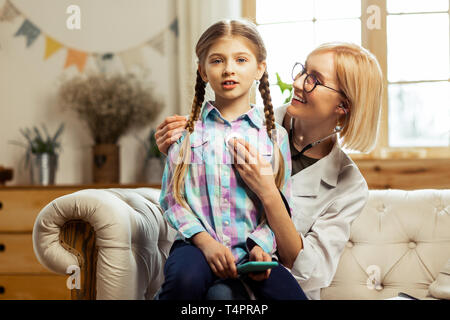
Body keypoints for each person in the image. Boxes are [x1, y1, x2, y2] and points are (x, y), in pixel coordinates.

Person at [155, 41, 383, 300]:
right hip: (211, 271)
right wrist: (182, 152)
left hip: (272, 284)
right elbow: (190, 195)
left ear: (343, 106)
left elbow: (313, 271)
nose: (297, 83)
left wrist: (269, 193)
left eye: (314, 80)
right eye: (303, 71)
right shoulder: (247, 124)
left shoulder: (349, 185)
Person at [157, 19, 307, 300]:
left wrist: (262, 245)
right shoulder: (186, 134)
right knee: (184, 281)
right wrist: (205, 243)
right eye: (217, 61)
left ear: (259, 68)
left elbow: (280, 203)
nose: (229, 69)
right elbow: (172, 200)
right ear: (202, 71)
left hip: (251, 252)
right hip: (196, 247)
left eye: (241, 59)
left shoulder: (274, 138)